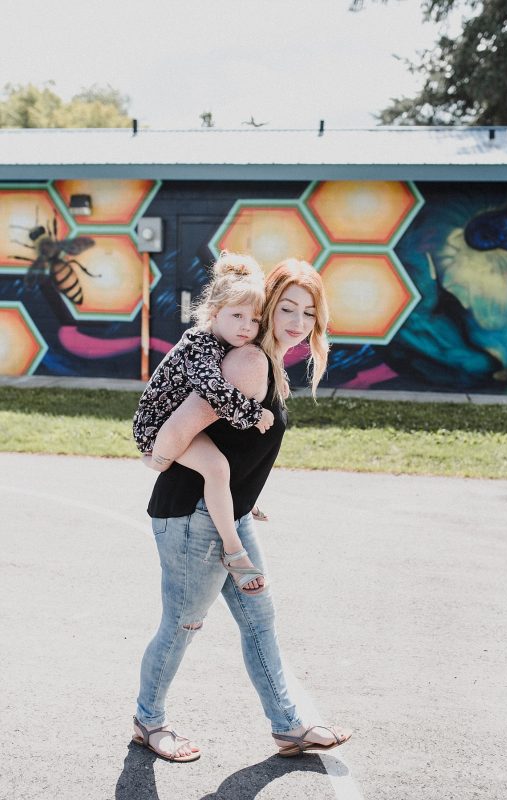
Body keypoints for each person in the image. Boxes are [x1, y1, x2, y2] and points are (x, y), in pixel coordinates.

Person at [132, 258, 352, 762]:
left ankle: (288, 726)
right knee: (184, 622)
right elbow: (176, 432)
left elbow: (232, 446)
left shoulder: (264, 360)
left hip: (226, 512)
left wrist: (246, 496)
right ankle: (149, 720)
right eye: (288, 308)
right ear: (267, 306)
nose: (298, 323)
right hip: (193, 516)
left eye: (310, 314)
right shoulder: (248, 362)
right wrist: (158, 458)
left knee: (259, 620)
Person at [132, 251, 274, 594]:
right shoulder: (200, 342)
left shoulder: (224, 343)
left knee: (222, 463)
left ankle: (239, 500)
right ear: (214, 313)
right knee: (217, 469)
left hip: (178, 420)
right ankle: (233, 549)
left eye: (254, 320)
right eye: (237, 315)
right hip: (157, 425)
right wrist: (255, 414)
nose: (246, 326)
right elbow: (212, 389)